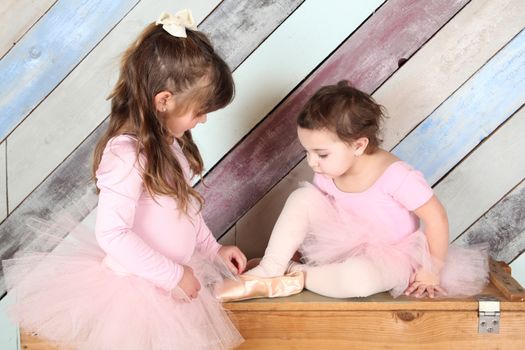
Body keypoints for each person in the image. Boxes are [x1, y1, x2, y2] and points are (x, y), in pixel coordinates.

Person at [3, 10, 246, 349]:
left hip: (171, 288)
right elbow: (113, 234)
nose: (202, 120)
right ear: (164, 101)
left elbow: (184, 211)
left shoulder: (171, 146)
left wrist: (213, 248)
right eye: (198, 111)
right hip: (137, 292)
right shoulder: (128, 153)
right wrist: (174, 275)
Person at [246, 80, 488, 299]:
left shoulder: (397, 176)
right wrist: (299, 247)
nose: (311, 162)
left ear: (358, 145)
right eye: (306, 152)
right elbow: (311, 216)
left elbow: (437, 218)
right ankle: (272, 267)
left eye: (321, 154)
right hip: (341, 245)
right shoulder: (327, 171)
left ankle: (294, 273)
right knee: (302, 197)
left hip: (391, 256)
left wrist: (431, 269)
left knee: (358, 280)